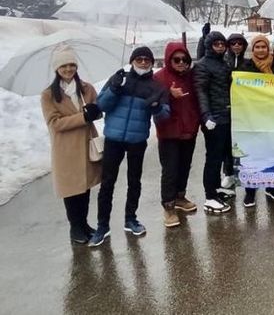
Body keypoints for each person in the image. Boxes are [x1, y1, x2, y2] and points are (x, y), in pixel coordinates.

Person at [89, 47, 170, 246]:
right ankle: (102, 225)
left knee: (134, 181)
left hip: (137, 140)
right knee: (107, 183)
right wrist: (114, 89)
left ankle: (130, 218)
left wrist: (156, 107)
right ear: (133, 60)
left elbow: (164, 116)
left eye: (147, 60)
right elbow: (101, 105)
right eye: (139, 59)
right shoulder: (119, 79)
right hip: (114, 139)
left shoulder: (157, 87)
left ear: (151, 63)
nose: (143, 62)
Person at [40, 45, 102, 245]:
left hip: (85, 146)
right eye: (64, 66)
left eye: (72, 65)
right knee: (71, 189)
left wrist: (95, 111)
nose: (68, 69)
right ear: (57, 69)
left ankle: (84, 224)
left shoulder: (86, 89)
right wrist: (83, 116)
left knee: (84, 187)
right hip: (65, 150)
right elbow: (55, 124)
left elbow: (97, 109)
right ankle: (75, 227)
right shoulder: (49, 95)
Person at [153, 42, 201, 228]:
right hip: (169, 132)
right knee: (170, 170)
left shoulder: (191, 76)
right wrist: (168, 94)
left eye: (184, 59)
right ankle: (169, 206)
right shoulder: (159, 78)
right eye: (176, 59)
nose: (181, 63)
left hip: (189, 129)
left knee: (184, 166)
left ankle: (180, 197)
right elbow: (150, 100)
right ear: (168, 60)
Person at [242, 35, 274, 207]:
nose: (261, 50)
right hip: (252, 117)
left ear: (268, 49)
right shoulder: (245, 67)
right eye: (257, 47)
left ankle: (272, 186)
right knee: (253, 154)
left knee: (272, 153)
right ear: (253, 50)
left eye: (263, 47)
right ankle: (250, 191)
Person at [194, 32, 233, 215]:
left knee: (223, 155)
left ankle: (216, 189)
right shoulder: (202, 66)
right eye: (216, 44)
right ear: (209, 46)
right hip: (214, 119)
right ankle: (209, 196)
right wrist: (206, 115)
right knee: (213, 158)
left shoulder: (223, 63)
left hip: (227, 116)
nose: (220, 47)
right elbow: (201, 92)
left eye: (222, 44)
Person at [217, 33, 249, 198]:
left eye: (240, 43)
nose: (237, 46)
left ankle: (247, 171)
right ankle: (228, 173)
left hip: (245, 108)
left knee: (244, 142)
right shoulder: (223, 62)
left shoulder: (248, 63)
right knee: (227, 143)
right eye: (233, 43)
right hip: (227, 107)